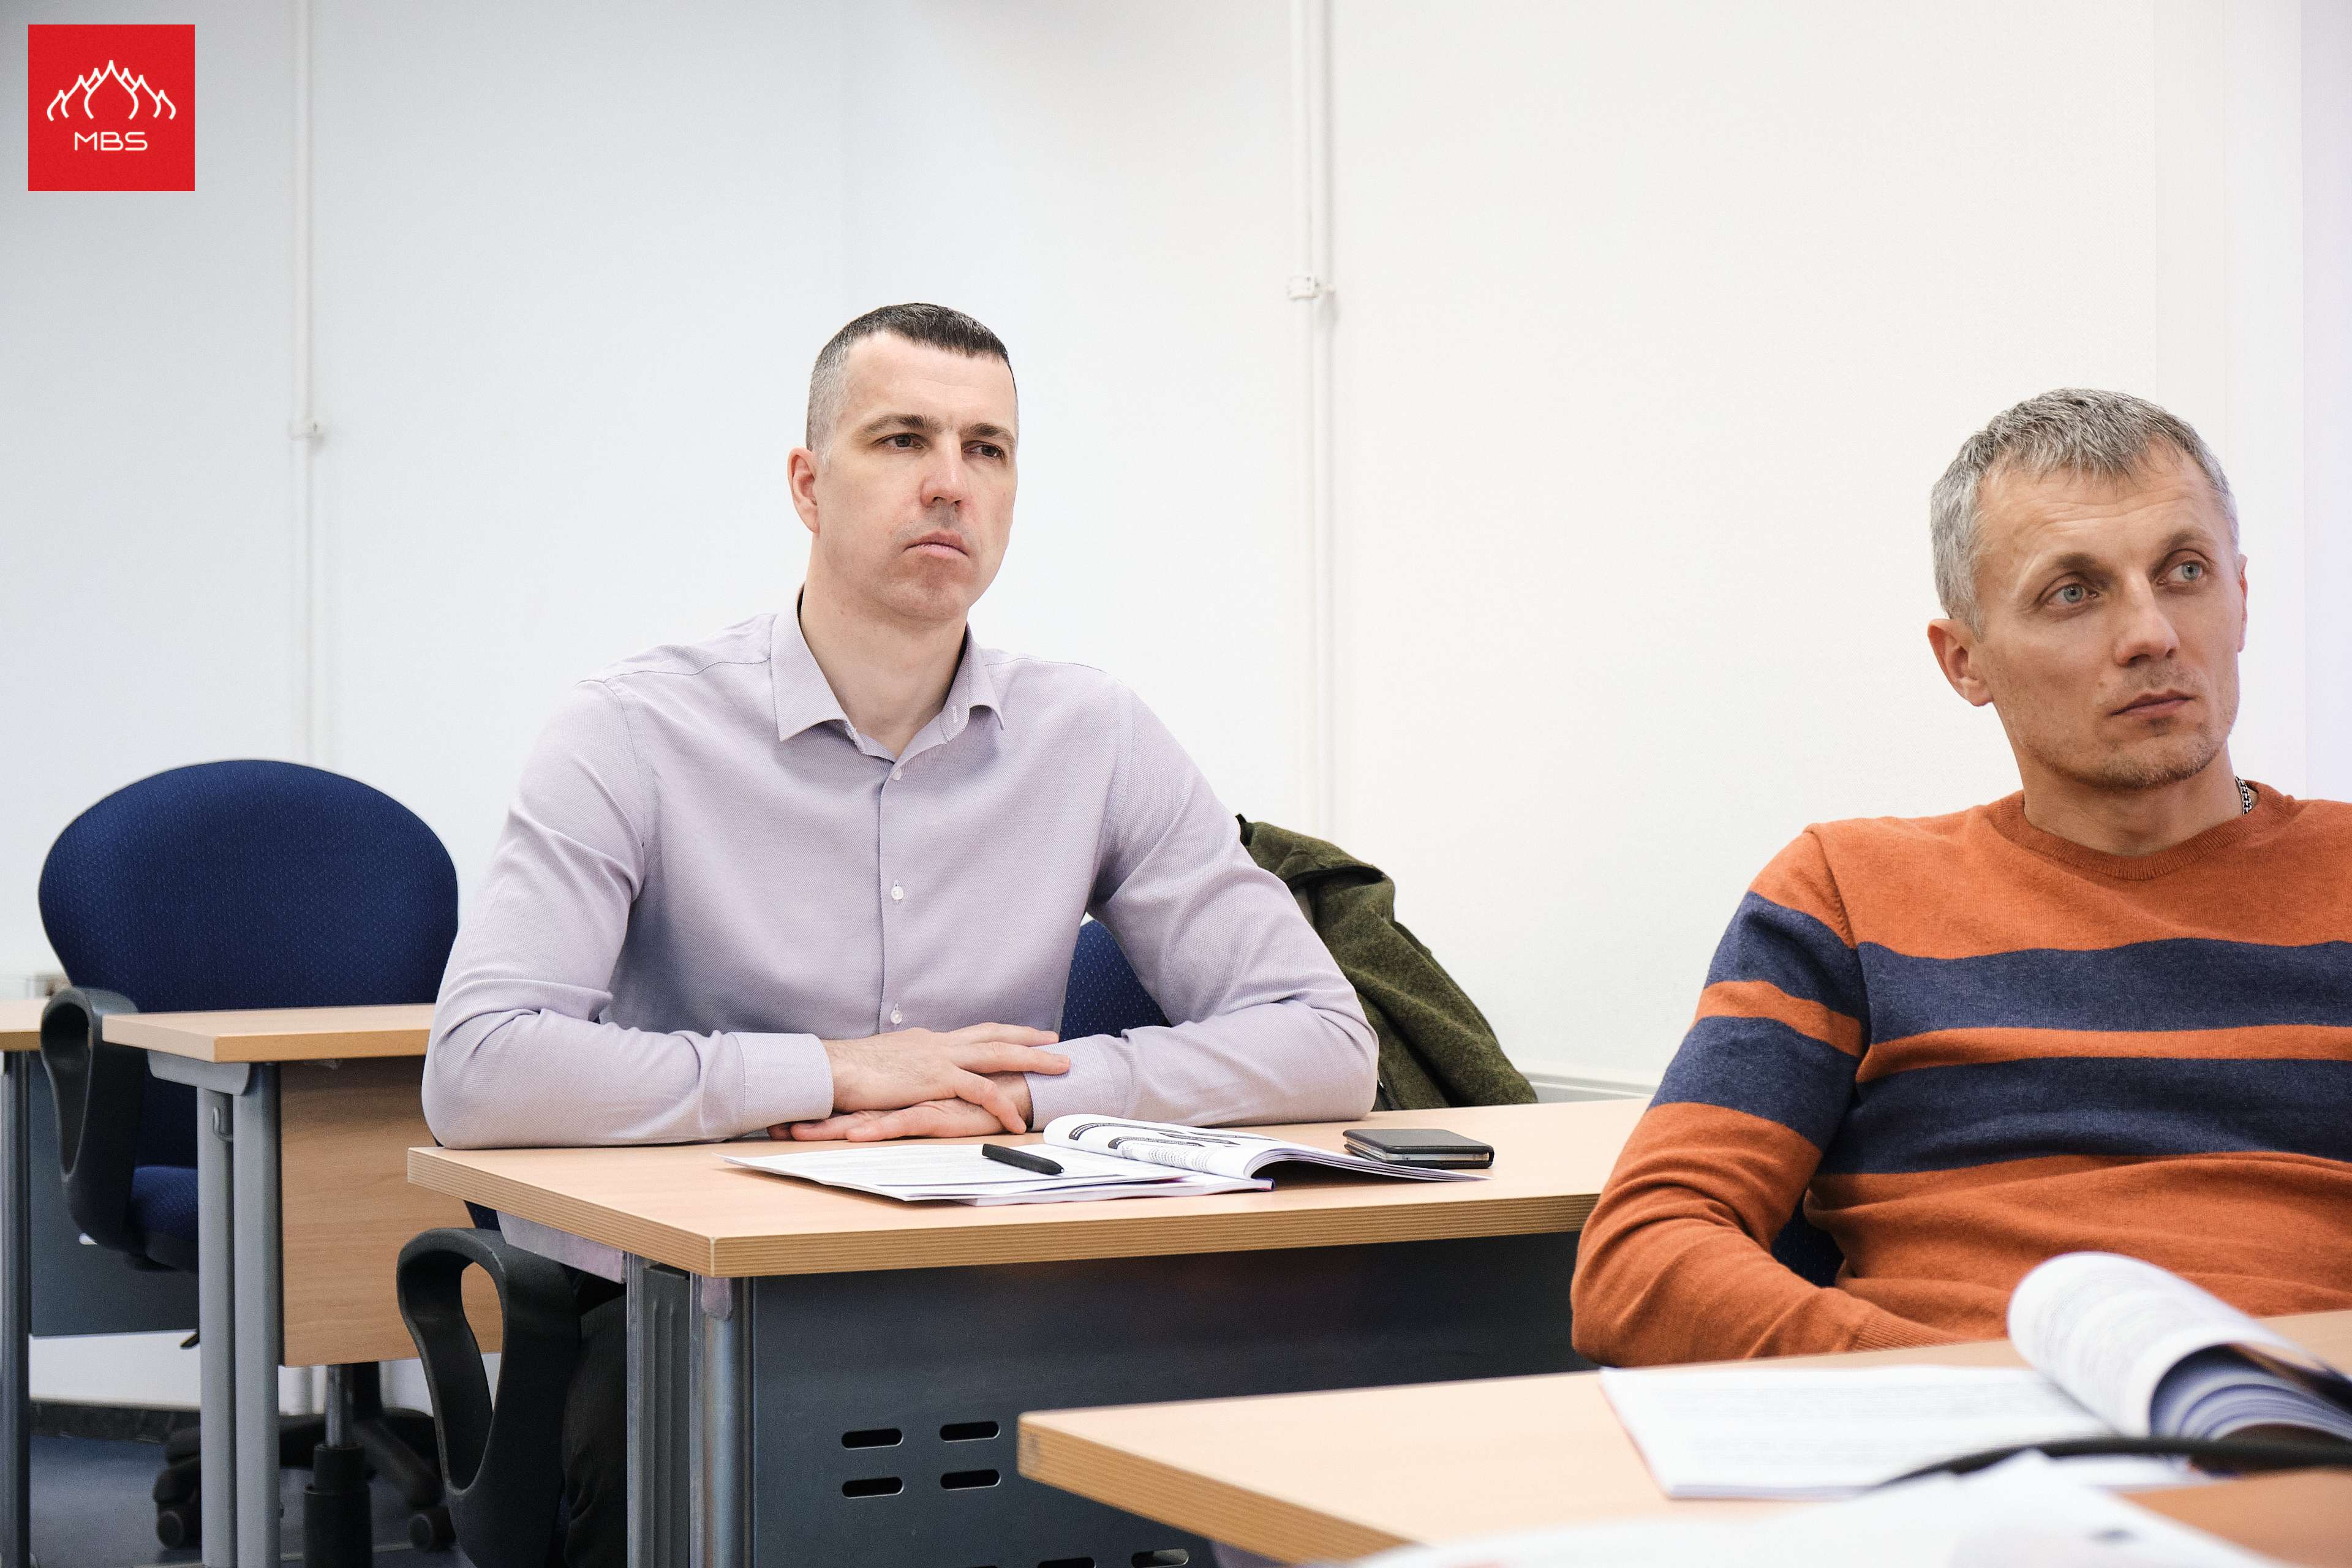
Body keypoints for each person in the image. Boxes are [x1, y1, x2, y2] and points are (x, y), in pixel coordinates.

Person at [421, 303, 1376, 1564]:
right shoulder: (631, 730)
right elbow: (479, 1065)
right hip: (696, 1310)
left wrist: (1026, 1095)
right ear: (808, 484)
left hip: (1002, 1287)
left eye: (989, 449)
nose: (950, 483)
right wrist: (829, 1072)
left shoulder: (1093, 733)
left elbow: (1324, 1041)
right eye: (903, 439)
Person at [1570, 388, 2352, 1366]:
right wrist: (1930, 1385)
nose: (2151, 632)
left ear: (2241, 596)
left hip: (2295, 1425)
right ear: (1964, 661)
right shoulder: (1846, 893)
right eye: (2074, 592)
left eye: (2184, 571)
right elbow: (1641, 1261)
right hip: (1943, 1433)